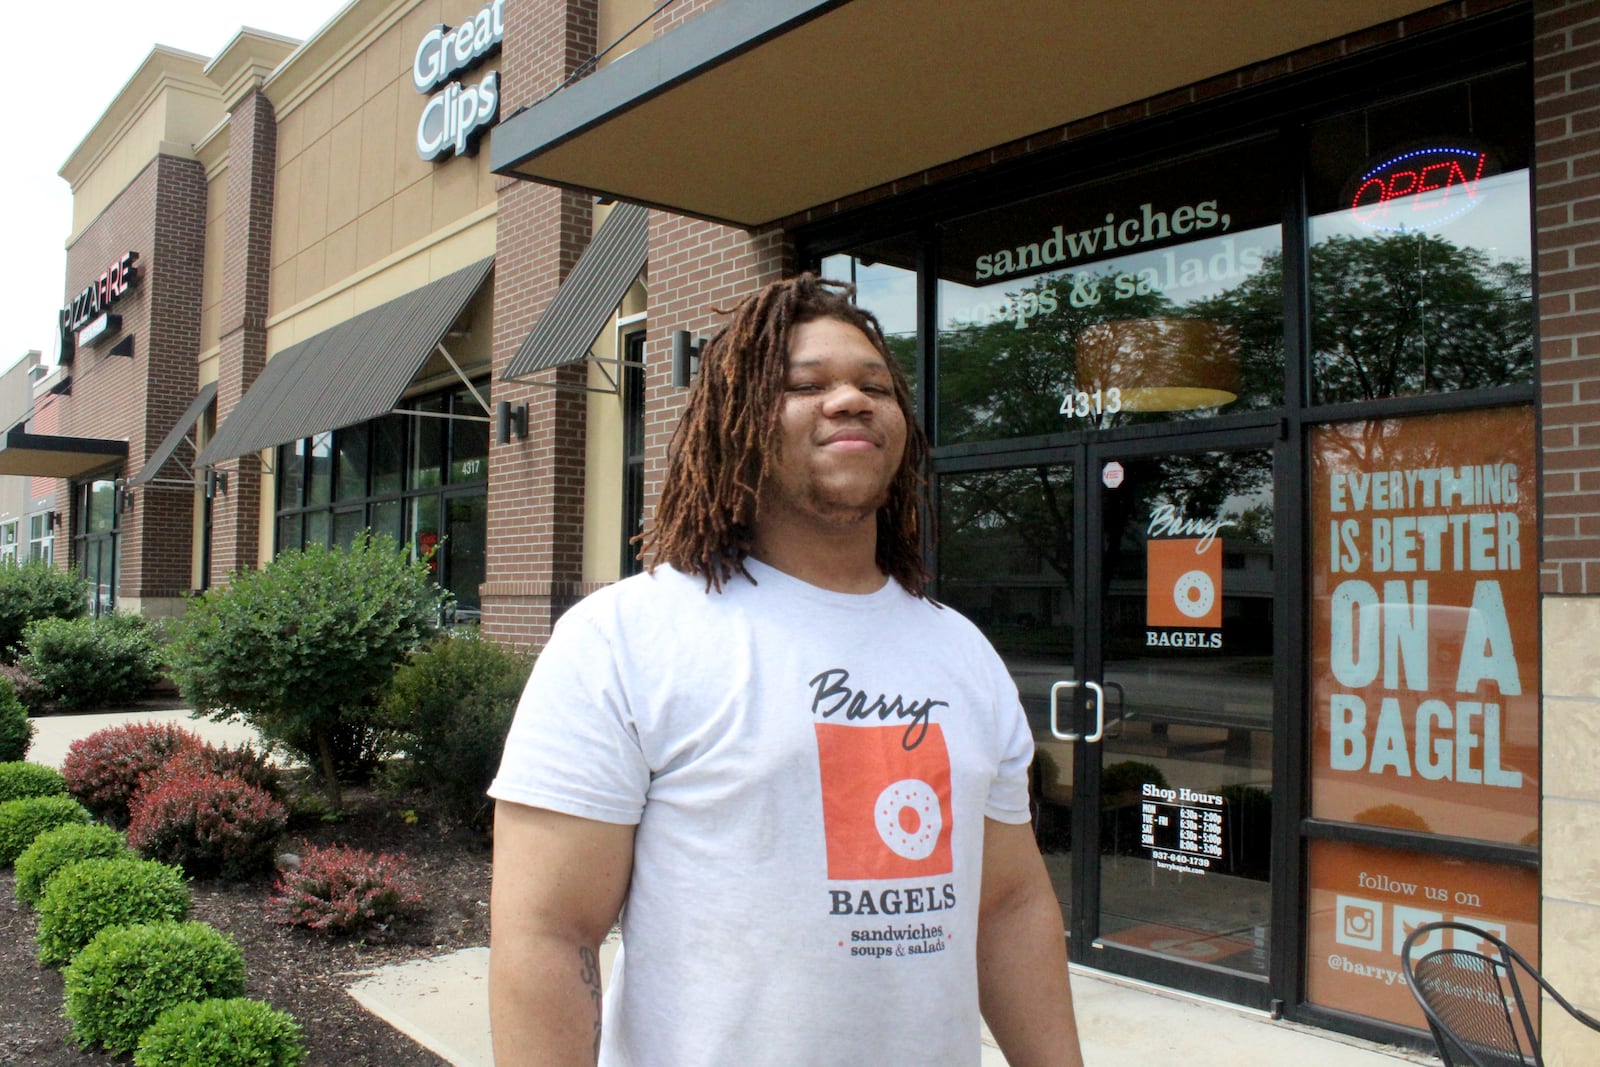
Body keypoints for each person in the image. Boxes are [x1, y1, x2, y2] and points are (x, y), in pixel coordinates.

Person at [488, 273, 1084, 1066]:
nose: (851, 399)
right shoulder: (625, 638)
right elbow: (547, 932)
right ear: (734, 425)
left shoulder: (962, 654)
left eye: (876, 385)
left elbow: (1007, 908)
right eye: (806, 385)